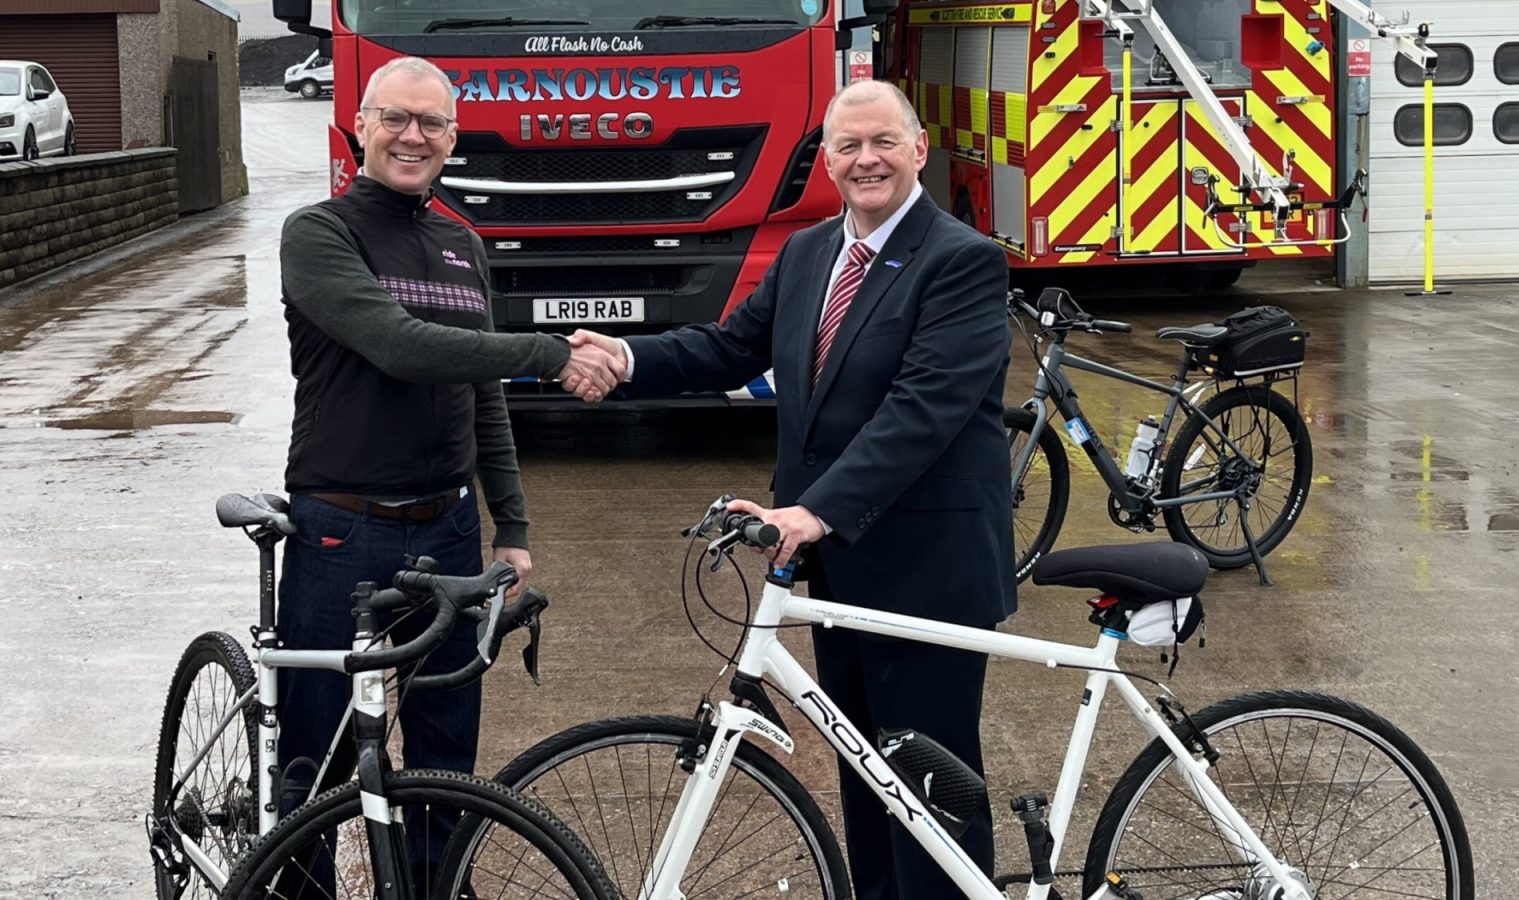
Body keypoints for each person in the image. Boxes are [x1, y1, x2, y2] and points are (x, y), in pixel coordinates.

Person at [573, 79, 1016, 900]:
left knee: (929, 787)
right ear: (827, 160)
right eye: (847, 146)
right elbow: (726, 347)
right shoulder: (811, 252)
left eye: (883, 141)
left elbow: (923, 411)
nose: (865, 159)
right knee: (864, 776)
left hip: (928, 566)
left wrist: (814, 510)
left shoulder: (962, 261)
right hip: (838, 562)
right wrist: (628, 359)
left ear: (919, 150)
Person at [272, 55, 622, 879]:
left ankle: (438, 886)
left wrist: (514, 524)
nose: (413, 135)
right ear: (360, 125)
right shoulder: (319, 233)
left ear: (453, 138)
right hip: (341, 528)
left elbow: (481, 392)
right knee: (316, 766)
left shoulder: (462, 242)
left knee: (445, 762)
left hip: (450, 531)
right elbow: (398, 346)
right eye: (395, 117)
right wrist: (550, 351)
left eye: (432, 123)